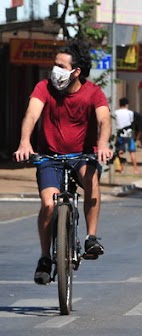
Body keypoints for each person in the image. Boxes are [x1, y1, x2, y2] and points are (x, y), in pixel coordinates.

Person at [13, 39, 112, 284]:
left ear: (76, 71)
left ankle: (91, 237)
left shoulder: (93, 93)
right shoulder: (43, 88)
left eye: (61, 65)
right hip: (49, 157)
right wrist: (25, 142)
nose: (55, 69)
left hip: (81, 157)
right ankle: (45, 257)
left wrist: (103, 144)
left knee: (92, 178)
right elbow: (32, 114)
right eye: (54, 64)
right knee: (48, 204)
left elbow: (104, 120)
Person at [113, 97, 140, 174]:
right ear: (126, 104)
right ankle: (135, 169)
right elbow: (131, 121)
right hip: (128, 134)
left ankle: (122, 169)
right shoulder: (130, 113)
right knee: (132, 151)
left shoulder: (116, 112)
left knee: (120, 151)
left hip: (120, 134)